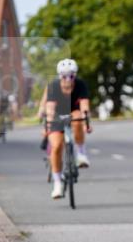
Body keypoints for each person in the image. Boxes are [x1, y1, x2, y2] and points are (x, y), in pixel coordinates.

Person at [38, 59, 92, 199]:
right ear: (59, 76)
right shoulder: (53, 86)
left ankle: (81, 153)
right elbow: (50, 108)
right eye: (64, 76)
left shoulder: (80, 85)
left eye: (71, 76)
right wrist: (48, 123)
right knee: (56, 147)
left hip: (73, 111)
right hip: (56, 114)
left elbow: (84, 106)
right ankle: (57, 184)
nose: (68, 79)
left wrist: (86, 123)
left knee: (77, 118)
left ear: (75, 75)